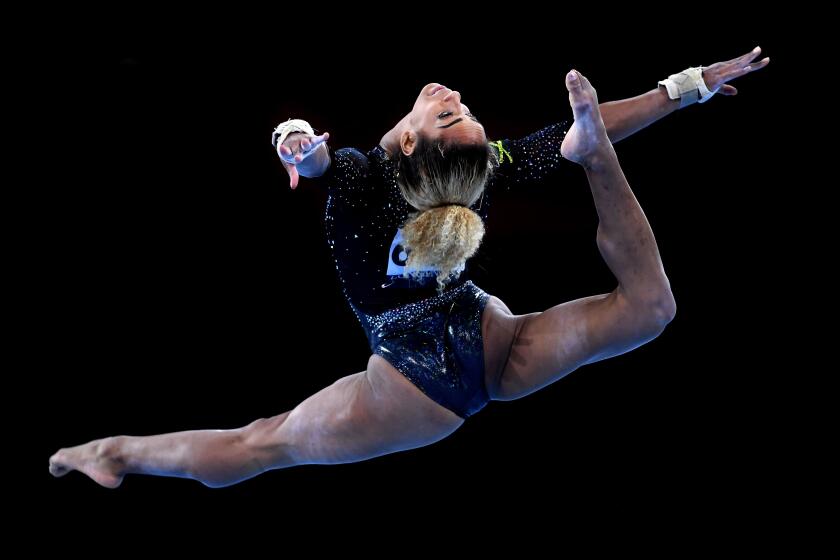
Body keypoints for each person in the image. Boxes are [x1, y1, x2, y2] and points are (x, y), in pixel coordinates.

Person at [49, 49, 769, 488]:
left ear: (412, 143)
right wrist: (294, 142)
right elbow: (317, 156)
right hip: (427, 379)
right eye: (457, 113)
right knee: (256, 443)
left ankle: (113, 452)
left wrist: (685, 87)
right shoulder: (365, 176)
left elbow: (589, 124)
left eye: (453, 115)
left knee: (260, 444)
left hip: (464, 360)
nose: (453, 99)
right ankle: (111, 452)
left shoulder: (456, 170)